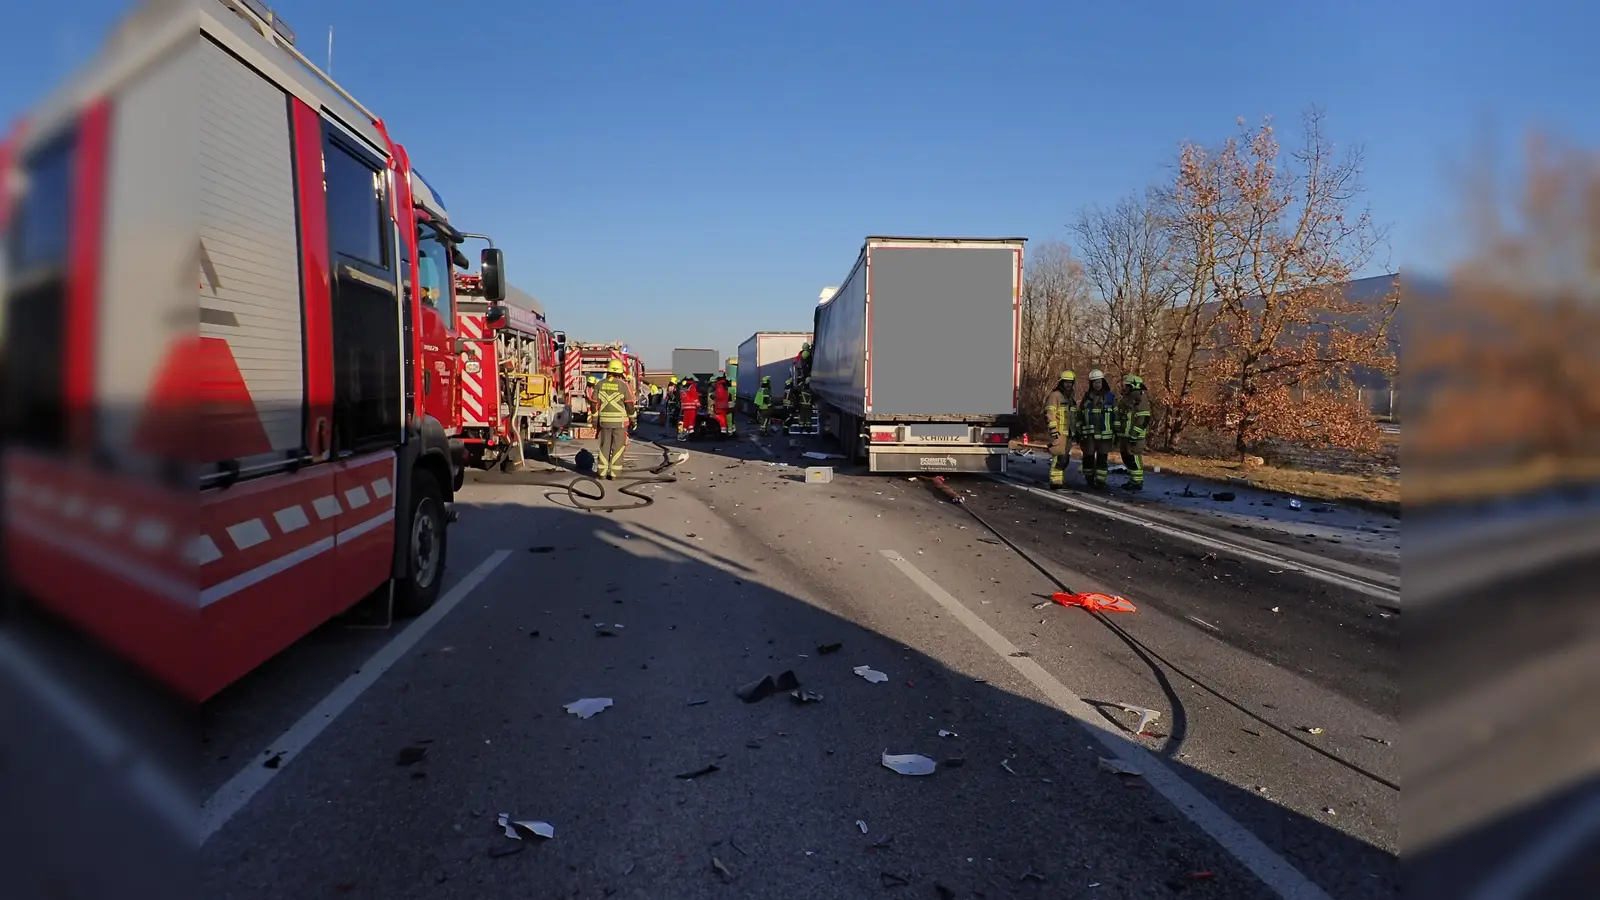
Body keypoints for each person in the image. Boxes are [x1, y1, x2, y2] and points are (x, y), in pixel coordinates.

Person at [592, 359, 637, 480]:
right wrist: (633, 420)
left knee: (604, 447)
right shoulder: (623, 385)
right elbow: (629, 405)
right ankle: (614, 474)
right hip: (620, 423)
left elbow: (594, 404)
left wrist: (595, 420)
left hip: (604, 422)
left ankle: (601, 473)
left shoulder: (599, 384)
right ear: (620, 372)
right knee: (618, 448)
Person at [1077, 369, 1117, 489]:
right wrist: (1079, 430)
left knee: (1102, 459)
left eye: (1099, 382)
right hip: (1089, 435)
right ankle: (1089, 479)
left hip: (1105, 435)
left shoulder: (1110, 397)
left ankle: (1101, 481)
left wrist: (1116, 431)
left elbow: (1116, 415)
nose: (1097, 384)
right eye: (1094, 382)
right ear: (1091, 383)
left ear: (1102, 382)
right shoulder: (1087, 397)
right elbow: (1080, 414)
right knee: (1088, 458)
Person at [1115, 374, 1153, 491]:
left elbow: (1144, 418)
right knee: (1127, 458)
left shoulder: (1140, 398)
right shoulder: (1126, 398)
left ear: (1133, 386)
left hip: (1135, 437)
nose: (1125, 388)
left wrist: (1135, 434)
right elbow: (1120, 414)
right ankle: (1132, 480)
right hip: (1125, 436)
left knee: (1134, 458)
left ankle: (1137, 482)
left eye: (1127, 386)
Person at [1044, 370, 1078, 489]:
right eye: (1066, 382)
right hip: (1058, 433)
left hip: (1068, 434)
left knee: (1065, 458)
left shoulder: (1070, 397)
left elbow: (1073, 416)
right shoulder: (1055, 395)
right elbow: (1050, 414)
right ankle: (1055, 481)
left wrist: (1076, 431)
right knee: (1059, 457)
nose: (1068, 385)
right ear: (1061, 382)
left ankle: (1059, 479)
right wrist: (1054, 430)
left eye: (1070, 382)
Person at [678, 376, 700, 441]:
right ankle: (691, 434)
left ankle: (684, 433)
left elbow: (681, 396)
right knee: (691, 421)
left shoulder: (683, 387)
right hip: (692, 406)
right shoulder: (692, 386)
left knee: (686, 420)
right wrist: (698, 405)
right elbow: (695, 396)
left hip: (685, 407)